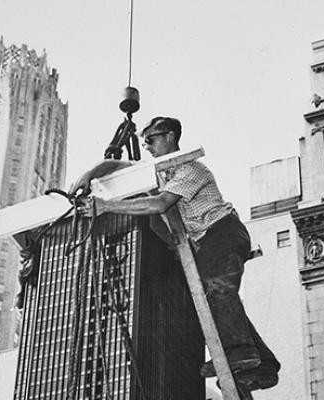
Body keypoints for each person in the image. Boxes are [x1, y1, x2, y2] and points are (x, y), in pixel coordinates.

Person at [70, 116, 280, 391]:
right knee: (216, 297)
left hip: (222, 231)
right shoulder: (158, 171)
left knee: (217, 289)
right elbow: (117, 166)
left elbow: (160, 203)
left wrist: (106, 206)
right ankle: (262, 362)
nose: (148, 146)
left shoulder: (191, 169)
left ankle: (240, 351)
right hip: (206, 241)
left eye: (152, 140)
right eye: (144, 142)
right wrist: (90, 173)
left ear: (170, 136)